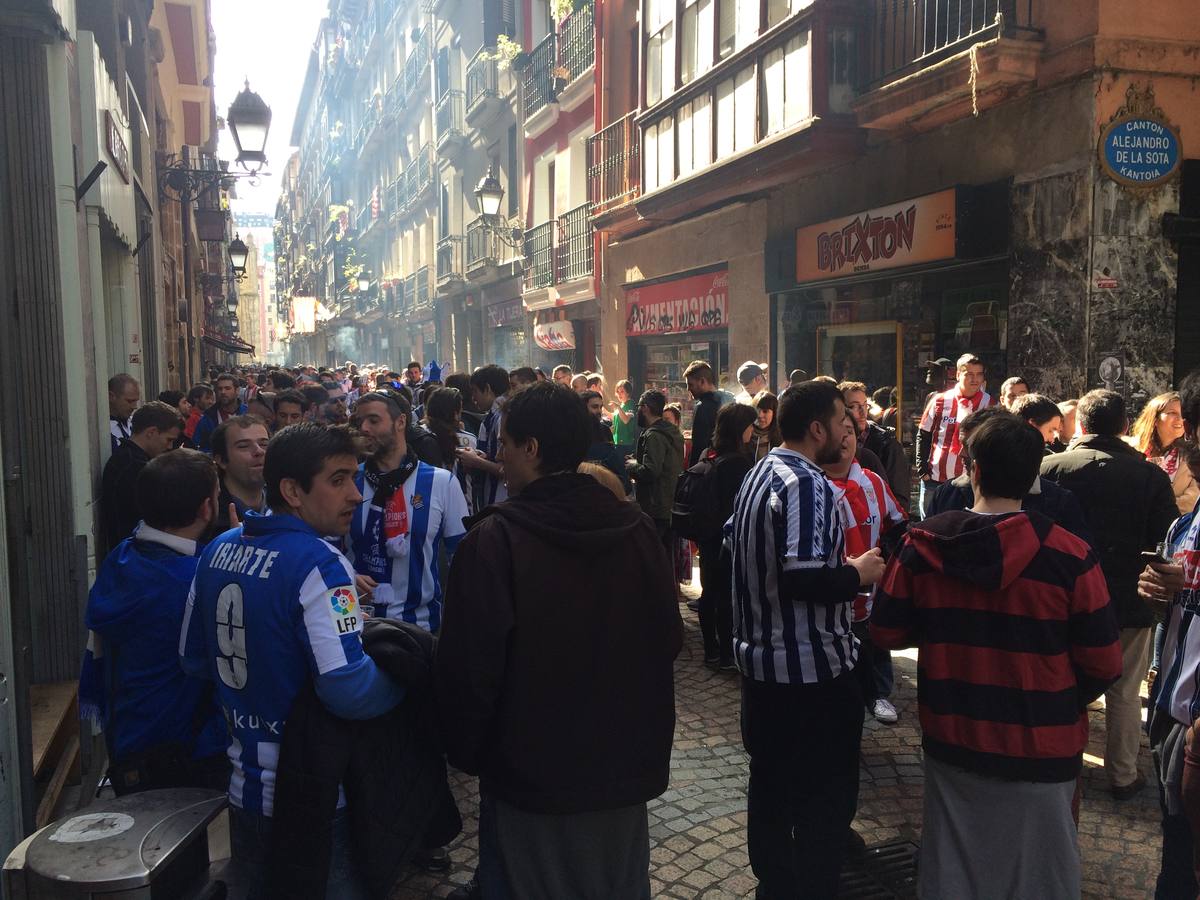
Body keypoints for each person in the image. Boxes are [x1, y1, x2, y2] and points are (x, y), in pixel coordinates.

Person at [436, 382, 682, 900]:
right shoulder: (635, 530)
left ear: (532, 449)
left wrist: (475, 754)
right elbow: (668, 639)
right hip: (621, 767)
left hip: (532, 777)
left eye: (504, 442)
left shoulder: (495, 542)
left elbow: (471, 672)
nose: (496, 454)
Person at [871, 415, 1121, 900]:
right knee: (1039, 877)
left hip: (954, 734)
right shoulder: (1070, 556)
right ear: (1034, 478)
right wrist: (1060, 694)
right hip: (1041, 742)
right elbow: (1105, 662)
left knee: (954, 871)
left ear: (974, 470)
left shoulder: (922, 547)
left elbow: (885, 629)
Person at [180, 423, 404, 898]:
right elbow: (348, 688)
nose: (356, 495)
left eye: (355, 477)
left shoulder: (217, 550)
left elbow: (193, 659)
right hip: (318, 797)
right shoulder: (319, 564)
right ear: (292, 491)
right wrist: (406, 681)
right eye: (338, 479)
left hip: (243, 790)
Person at [729, 381, 886, 898]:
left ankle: (775, 882)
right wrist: (857, 573)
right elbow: (800, 578)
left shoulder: (761, 471)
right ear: (816, 428)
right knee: (824, 796)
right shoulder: (806, 483)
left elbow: (738, 541)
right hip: (810, 674)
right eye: (842, 417)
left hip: (763, 671)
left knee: (771, 785)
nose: (850, 426)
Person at [1041, 389, 1180, 799]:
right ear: (1124, 427)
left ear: (1079, 424)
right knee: (1123, 689)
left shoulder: (1049, 468)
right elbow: (1166, 540)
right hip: (1127, 600)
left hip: (1063, 598)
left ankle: (1063, 761)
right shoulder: (1149, 475)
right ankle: (1121, 774)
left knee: (1064, 678)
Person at [81, 449, 229, 796]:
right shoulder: (196, 580)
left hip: (129, 735)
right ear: (207, 507)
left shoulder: (123, 555)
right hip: (182, 746)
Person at [1139, 371, 1200, 899]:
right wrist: (1157, 592)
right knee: (1176, 852)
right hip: (1171, 707)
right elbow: (1175, 608)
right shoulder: (1186, 525)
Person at [347, 390, 469, 631]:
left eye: (373, 420)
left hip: (421, 631)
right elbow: (325, 547)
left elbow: (463, 560)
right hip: (356, 627)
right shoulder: (348, 480)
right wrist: (345, 572)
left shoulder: (442, 483)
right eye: (358, 421)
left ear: (401, 421)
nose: (363, 428)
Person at [819, 419, 907, 726]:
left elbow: (897, 525)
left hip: (870, 594)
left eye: (851, 432)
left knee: (875, 646)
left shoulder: (872, 481)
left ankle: (878, 694)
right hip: (829, 594)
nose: (844, 438)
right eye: (838, 430)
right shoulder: (812, 486)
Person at [926, 407, 1091, 541]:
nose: (961, 453)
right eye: (961, 444)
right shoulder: (947, 493)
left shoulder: (1057, 501)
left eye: (970, 446)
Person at [696, 403, 756, 669]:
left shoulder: (709, 454)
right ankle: (726, 653)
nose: (752, 431)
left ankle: (711, 649)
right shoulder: (739, 463)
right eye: (750, 426)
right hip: (727, 539)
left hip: (708, 536)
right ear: (740, 428)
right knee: (725, 596)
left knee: (709, 593)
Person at [99, 401, 184, 555]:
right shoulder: (135, 467)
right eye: (168, 439)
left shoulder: (129, 459)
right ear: (151, 432)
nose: (170, 447)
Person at [915, 353, 993, 517]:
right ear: (958, 375)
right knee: (929, 527)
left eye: (979, 374)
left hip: (971, 481)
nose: (975, 379)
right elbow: (923, 434)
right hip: (935, 479)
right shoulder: (939, 400)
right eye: (969, 374)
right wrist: (923, 470)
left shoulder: (990, 404)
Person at [627, 390, 685, 550]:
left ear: (645, 408)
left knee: (653, 554)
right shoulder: (672, 432)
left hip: (655, 506)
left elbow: (651, 471)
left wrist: (631, 465)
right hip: (668, 505)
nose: (638, 410)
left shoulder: (654, 435)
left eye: (639, 406)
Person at [840, 380, 910, 507]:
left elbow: (900, 499)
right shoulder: (833, 442)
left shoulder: (888, 444)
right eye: (853, 406)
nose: (862, 412)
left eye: (865, 405)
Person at [1132, 391, 1198, 515]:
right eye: (1172, 413)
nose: (1180, 419)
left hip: (1173, 524)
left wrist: (1159, 510)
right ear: (1155, 419)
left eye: (1183, 414)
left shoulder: (1192, 455)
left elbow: (1193, 499)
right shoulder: (1131, 450)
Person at [459, 365, 510, 507]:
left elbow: (507, 468)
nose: (473, 397)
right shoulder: (493, 416)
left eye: (475, 391)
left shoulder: (502, 418)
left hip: (501, 501)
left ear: (487, 389)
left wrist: (477, 462)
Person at [211, 415, 271, 534]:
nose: (259, 451)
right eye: (243, 446)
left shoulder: (290, 504)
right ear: (221, 460)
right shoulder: (209, 516)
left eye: (264, 444)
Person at [425, 386, 478, 514]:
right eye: (460, 411)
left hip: (428, 502)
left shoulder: (421, 435)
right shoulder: (469, 439)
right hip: (462, 504)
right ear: (455, 414)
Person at [686, 361, 734, 467]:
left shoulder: (702, 407)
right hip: (729, 463)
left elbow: (699, 445)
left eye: (690, 384)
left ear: (702, 381)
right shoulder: (730, 402)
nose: (688, 389)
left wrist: (692, 471)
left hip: (708, 466)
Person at [194, 373, 249, 454]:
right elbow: (197, 446)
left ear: (237, 390)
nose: (223, 392)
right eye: (220, 389)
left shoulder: (248, 413)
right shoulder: (207, 418)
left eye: (227, 388)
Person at [108, 373, 141, 452]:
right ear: (111, 396)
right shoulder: (102, 429)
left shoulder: (136, 424)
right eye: (130, 401)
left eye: (136, 401)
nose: (134, 406)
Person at [750, 391, 782, 463]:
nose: (760, 415)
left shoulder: (782, 437)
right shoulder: (745, 436)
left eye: (765, 411)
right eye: (757, 410)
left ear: (775, 413)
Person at [607, 379, 637, 450]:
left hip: (625, 442)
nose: (619, 394)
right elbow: (613, 417)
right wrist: (603, 410)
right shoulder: (622, 405)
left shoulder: (630, 403)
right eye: (618, 391)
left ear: (628, 393)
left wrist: (618, 407)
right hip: (617, 440)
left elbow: (625, 420)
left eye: (622, 391)